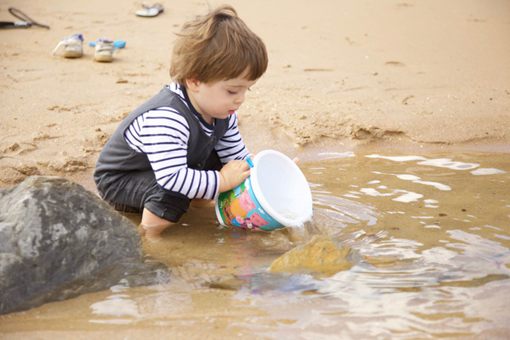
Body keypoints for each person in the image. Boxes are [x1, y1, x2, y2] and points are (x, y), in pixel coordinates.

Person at [94, 5, 268, 238]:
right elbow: (172, 177)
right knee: (173, 191)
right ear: (194, 81)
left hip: (166, 168)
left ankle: (197, 202)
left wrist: (265, 172)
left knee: (222, 163)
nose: (241, 99)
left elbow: (236, 159)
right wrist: (222, 180)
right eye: (232, 90)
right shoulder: (168, 117)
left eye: (248, 90)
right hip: (122, 180)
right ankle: (149, 236)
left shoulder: (222, 113)